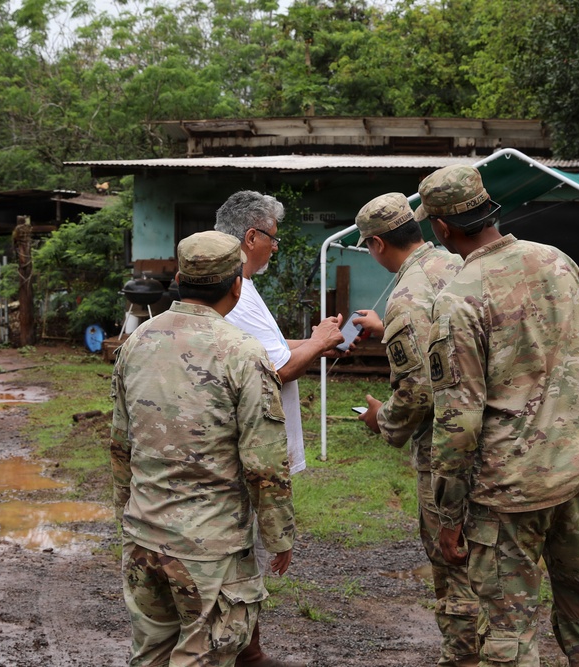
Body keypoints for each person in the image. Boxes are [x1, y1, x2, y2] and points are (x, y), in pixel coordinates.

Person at [419, 165, 579, 667]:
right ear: (489, 209)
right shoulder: (557, 261)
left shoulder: (459, 298)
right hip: (577, 474)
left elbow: (459, 421)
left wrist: (449, 517)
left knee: (510, 636)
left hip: (507, 495)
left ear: (441, 228)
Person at [110, 230, 296, 667]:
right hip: (208, 551)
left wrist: (128, 514)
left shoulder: (137, 342)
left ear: (179, 277)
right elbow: (263, 462)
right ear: (236, 284)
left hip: (143, 536)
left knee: (150, 654)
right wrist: (279, 535)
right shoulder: (242, 353)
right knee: (203, 656)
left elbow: (120, 445)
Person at [348, 193, 479, 666]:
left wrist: (380, 419)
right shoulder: (455, 263)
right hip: (494, 436)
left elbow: (419, 392)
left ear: (377, 244)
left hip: (446, 446)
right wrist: (391, 328)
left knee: (453, 559)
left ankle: (464, 656)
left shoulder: (408, 296)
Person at [214, 190, 344, 667]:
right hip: (248, 444)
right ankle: (244, 652)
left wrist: (316, 341)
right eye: (272, 237)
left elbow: (269, 348)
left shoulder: (237, 287)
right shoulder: (238, 291)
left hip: (239, 442)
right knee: (238, 550)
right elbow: (278, 369)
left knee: (239, 549)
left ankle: (249, 649)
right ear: (251, 236)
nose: (275, 246)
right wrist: (316, 343)